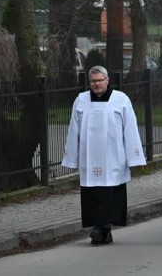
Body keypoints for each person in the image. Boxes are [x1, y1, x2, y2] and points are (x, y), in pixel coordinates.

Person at [62, 66, 146, 245]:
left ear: (107, 80)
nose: (97, 84)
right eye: (93, 81)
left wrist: (133, 157)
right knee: (92, 193)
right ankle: (100, 228)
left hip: (113, 155)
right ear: (89, 82)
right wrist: (72, 156)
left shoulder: (120, 99)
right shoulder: (81, 100)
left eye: (100, 80)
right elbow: (73, 129)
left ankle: (103, 228)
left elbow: (130, 128)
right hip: (89, 156)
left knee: (110, 192)